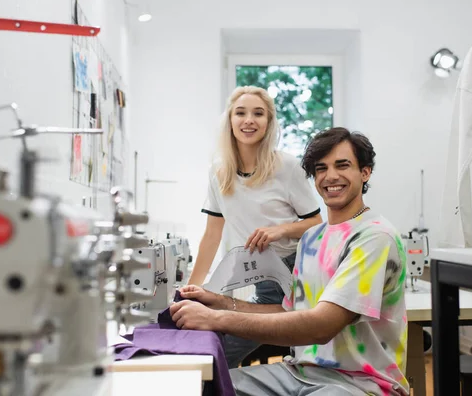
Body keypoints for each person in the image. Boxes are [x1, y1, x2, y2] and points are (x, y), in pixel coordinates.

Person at [172, 127, 409, 396]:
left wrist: (216, 318)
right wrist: (221, 302)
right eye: (321, 168)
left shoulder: (374, 236)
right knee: (207, 387)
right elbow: (290, 312)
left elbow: (321, 326)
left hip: (360, 384)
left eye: (343, 165)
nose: (331, 176)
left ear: (365, 172)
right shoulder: (311, 238)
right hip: (298, 372)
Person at [187, 85, 322, 368]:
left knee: (221, 353)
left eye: (258, 113)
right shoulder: (219, 171)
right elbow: (212, 234)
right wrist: (190, 290)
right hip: (262, 274)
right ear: (230, 121)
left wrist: (281, 230)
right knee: (215, 350)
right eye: (241, 113)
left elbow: (316, 223)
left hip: (297, 269)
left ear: (268, 123)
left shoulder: (287, 167)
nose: (249, 120)